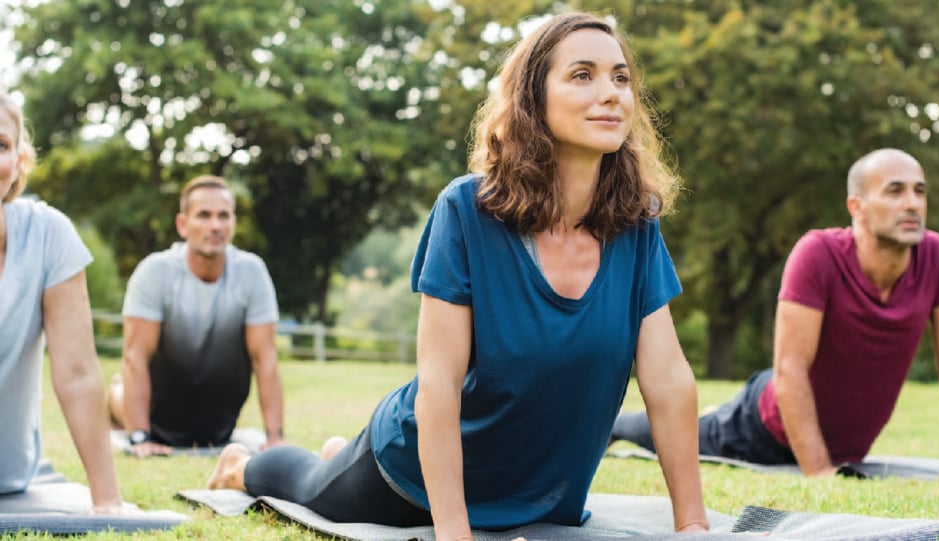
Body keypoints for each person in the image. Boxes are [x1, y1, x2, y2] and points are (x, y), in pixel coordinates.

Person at [207, 11, 709, 538]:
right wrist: (453, 531)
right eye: (582, 75)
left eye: (621, 77)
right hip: (411, 477)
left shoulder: (636, 226)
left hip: (538, 493)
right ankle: (241, 464)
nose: (611, 93)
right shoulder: (467, 210)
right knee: (310, 484)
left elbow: (668, 379)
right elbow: (439, 384)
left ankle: (336, 449)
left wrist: (693, 524)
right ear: (533, 100)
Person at [611, 148, 939, 478]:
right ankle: (612, 426)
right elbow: (791, 369)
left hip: (844, 446)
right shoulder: (818, 254)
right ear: (857, 206)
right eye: (895, 191)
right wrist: (819, 473)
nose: (912, 203)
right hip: (762, 429)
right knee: (673, 434)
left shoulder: (934, 256)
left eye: (920, 192)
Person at [0, 92, 123, 511]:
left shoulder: (48, 234)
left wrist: (107, 501)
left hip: (8, 476)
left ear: (19, 161)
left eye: (0, 145)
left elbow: (77, 372)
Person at [108, 174, 285, 457]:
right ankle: (116, 396)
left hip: (217, 424)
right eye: (203, 215)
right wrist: (140, 437)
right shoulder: (154, 272)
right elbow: (136, 356)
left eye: (223, 216)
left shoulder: (252, 272)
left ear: (233, 224)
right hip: (157, 414)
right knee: (121, 389)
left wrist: (275, 438)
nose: (215, 225)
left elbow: (265, 358)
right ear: (182, 224)